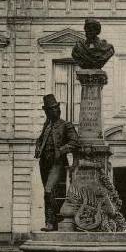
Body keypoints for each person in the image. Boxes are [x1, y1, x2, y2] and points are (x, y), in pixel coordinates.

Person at [34, 94, 80, 231]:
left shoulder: (66, 125)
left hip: (57, 163)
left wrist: (61, 150)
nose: (54, 111)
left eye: (56, 108)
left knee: (49, 190)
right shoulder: (46, 126)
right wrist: (38, 147)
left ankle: (57, 219)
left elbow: (74, 142)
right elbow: (40, 140)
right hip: (44, 162)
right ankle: (50, 223)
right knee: (47, 193)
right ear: (46, 111)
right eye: (51, 109)